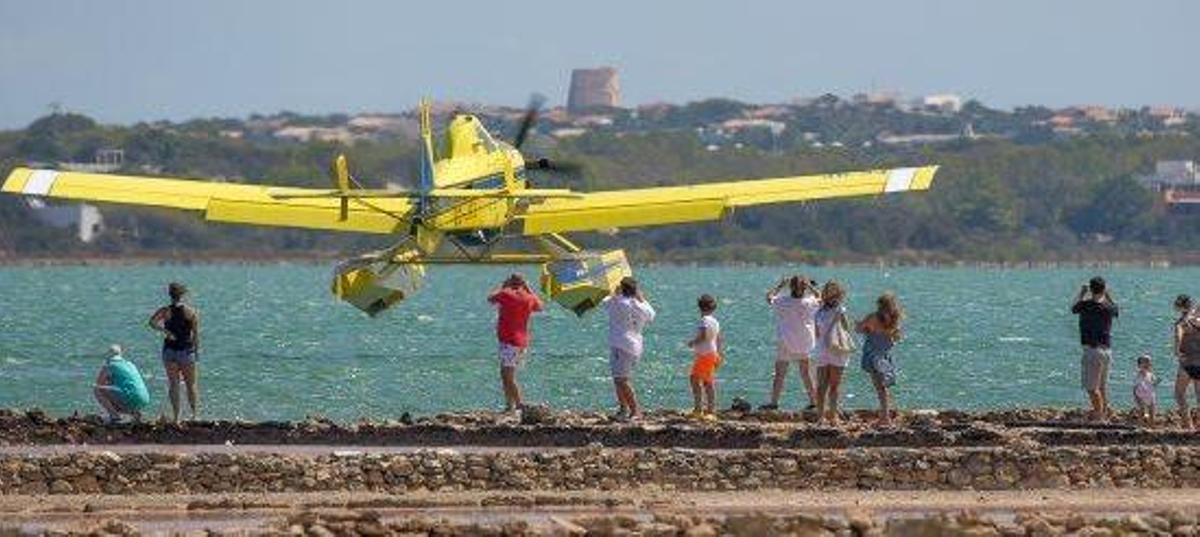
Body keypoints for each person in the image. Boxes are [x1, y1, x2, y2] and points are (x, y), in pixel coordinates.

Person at [761, 276, 821, 412]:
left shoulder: (782, 301)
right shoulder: (809, 302)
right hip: (805, 342)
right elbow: (820, 296)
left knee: (780, 374)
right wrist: (811, 286)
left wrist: (780, 285)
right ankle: (813, 401)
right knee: (806, 373)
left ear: (790, 288)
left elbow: (768, 297)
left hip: (786, 341)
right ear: (804, 288)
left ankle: (774, 402)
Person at [487, 273, 543, 413]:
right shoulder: (529, 298)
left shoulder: (506, 294)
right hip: (521, 341)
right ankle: (509, 405)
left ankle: (519, 405)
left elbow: (490, 298)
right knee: (506, 373)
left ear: (511, 283)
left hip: (508, 340)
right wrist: (528, 288)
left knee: (507, 375)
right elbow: (539, 306)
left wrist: (503, 286)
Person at [602, 277, 656, 421]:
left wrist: (615, 292)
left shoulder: (617, 302)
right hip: (633, 345)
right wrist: (642, 298)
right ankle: (623, 409)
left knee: (622, 379)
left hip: (621, 344)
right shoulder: (641, 306)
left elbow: (605, 302)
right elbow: (651, 315)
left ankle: (635, 411)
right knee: (618, 379)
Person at [148, 282, 200, 423]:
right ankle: (194, 415)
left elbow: (152, 322)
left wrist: (165, 331)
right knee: (191, 385)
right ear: (182, 295)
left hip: (169, 351)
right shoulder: (192, 312)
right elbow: (195, 335)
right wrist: (197, 352)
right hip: (186, 351)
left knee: (174, 384)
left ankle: (177, 417)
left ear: (170, 295)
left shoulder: (165, 311)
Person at [1071, 277, 1119, 422]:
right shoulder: (1108, 307)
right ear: (1104, 289)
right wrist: (1108, 295)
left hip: (1092, 351)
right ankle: (1104, 414)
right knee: (1102, 387)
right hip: (1106, 351)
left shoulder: (1085, 305)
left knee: (1092, 388)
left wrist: (1081, 292)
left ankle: (1099, 417)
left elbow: (1073, 307)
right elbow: (1116, 308)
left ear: (1091, 290)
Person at [857, 293, 904, 427]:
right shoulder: (894, 320)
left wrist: (864, 328)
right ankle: (885, 415)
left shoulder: (873, 317)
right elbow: (896, 338)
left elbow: (859, 328)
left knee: (879, 387)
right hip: (885, 356)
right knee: (883, 387)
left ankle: (885, 417)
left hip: (873, 356)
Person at [814, 280, 853, 425]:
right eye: (829, 291)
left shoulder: (840, 310)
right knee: (821, 385)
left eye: (834, 292)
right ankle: (820, 416)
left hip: (837, 350)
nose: (831, 295)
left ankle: (833, 416)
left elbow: (846, 331)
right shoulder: (819, 311)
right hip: (822, 350)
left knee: (835, 385)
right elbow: (816, 332)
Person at [93, 344, 150, 424]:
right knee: (125, 390)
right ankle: (134, 413)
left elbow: (99, 384)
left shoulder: (109, 366)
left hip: (129, 397)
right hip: (144, 399)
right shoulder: (130, 364)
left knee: (97, 389)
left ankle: (115, 416)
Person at [688, 294, 723, 421]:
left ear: (700, 307)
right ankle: (708, 409)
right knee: (706, 381)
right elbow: (719, 339)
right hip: (711, 354)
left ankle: (702, 409)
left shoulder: (704, 321)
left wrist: (693, 342)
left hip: (705, 355)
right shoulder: (715, 321)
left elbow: (703, 336)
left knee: (696, 380)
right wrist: (719, 354)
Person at [1173, 294, 1200, 429]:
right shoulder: (1197, 320)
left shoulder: (1181, 322)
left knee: (1179, 394)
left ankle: (1188, 424)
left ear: (1178, 307)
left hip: (1187, 363)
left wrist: (1177, 351)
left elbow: (1179, 335)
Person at [1133, 353, 1157, 425]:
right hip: (1141, 396)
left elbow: (1153, 384)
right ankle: (1140, 424)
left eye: (1148, 363)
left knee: (1152, 411)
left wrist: (1156, 382)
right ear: (1139, 365)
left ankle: (1151, 424)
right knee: (1142, 411)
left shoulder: (1151, 374)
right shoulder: (1138, 375)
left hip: (1150, 396)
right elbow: (1135, 387)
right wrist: (1136, 397)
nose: (1147, 365)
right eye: (1144, 362)